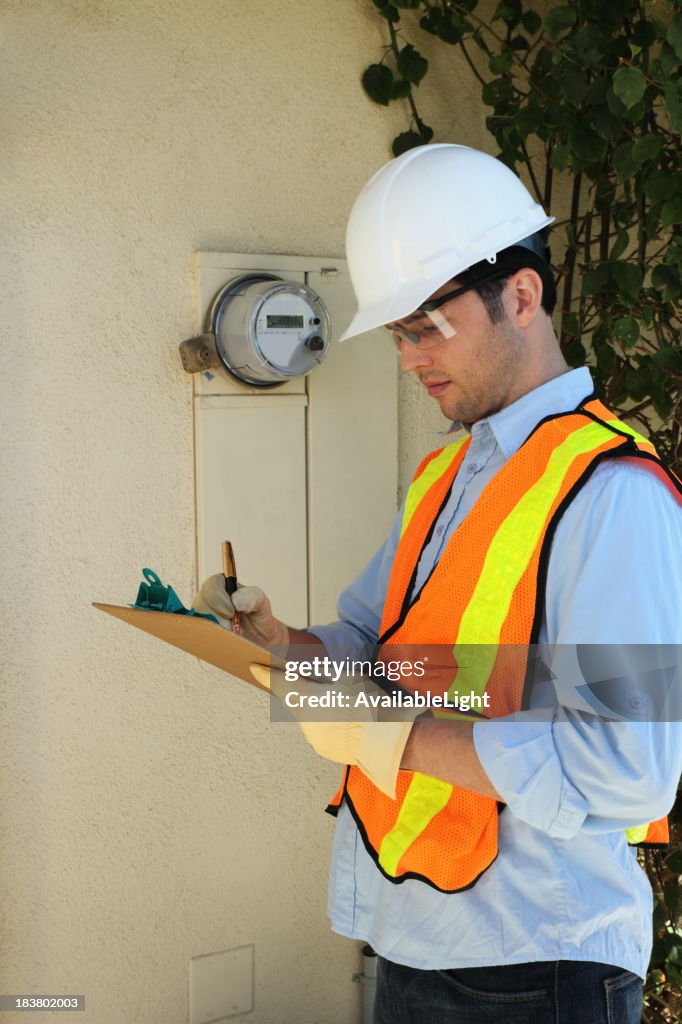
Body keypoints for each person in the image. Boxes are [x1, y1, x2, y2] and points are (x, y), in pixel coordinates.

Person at [194, 145, 682, 1023]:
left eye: (426, 327)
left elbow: (631, 770)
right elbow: (376, 654)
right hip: (411, 937)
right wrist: (281, 646)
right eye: (400, 336)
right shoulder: (447, 476)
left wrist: (390, 738)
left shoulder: (613, 496)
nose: (412, 359)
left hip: (541, 969)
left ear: (522, 297)